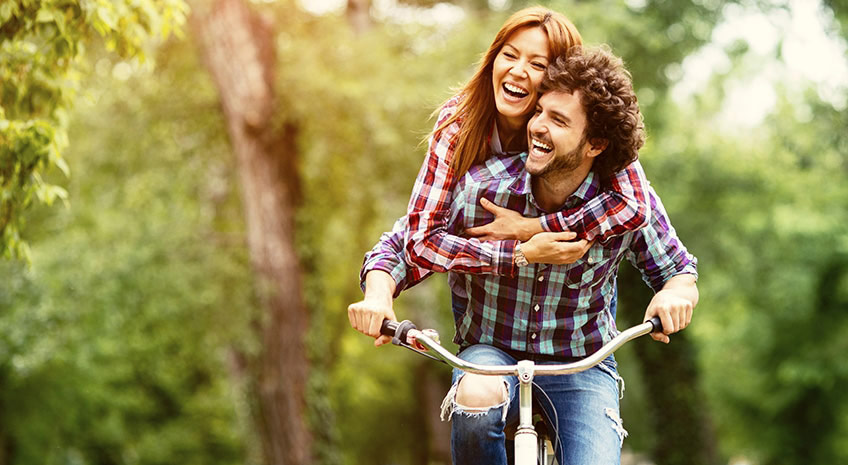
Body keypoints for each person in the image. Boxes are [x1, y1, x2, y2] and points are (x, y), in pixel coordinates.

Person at [349, 46, 698, 465]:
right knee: (476, 397)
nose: (537, 126)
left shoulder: (620, 204)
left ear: (596, 144)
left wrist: (674, 295)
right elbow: (403, 246)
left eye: (559, 120)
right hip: (489, 352)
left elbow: (678, 270)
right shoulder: (484, 190)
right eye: (540, 112)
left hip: (582, 365)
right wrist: (377, 296)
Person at [401, 6, 652, 301]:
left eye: (537, 64)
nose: (518, 71)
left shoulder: (584, 130)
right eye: (509, 55)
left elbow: (634, 206)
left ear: (561, 78)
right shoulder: (460, 124)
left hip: (578, 306)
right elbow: (419, 236)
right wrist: (519, 254)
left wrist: (529, 227)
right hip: (492, 308)